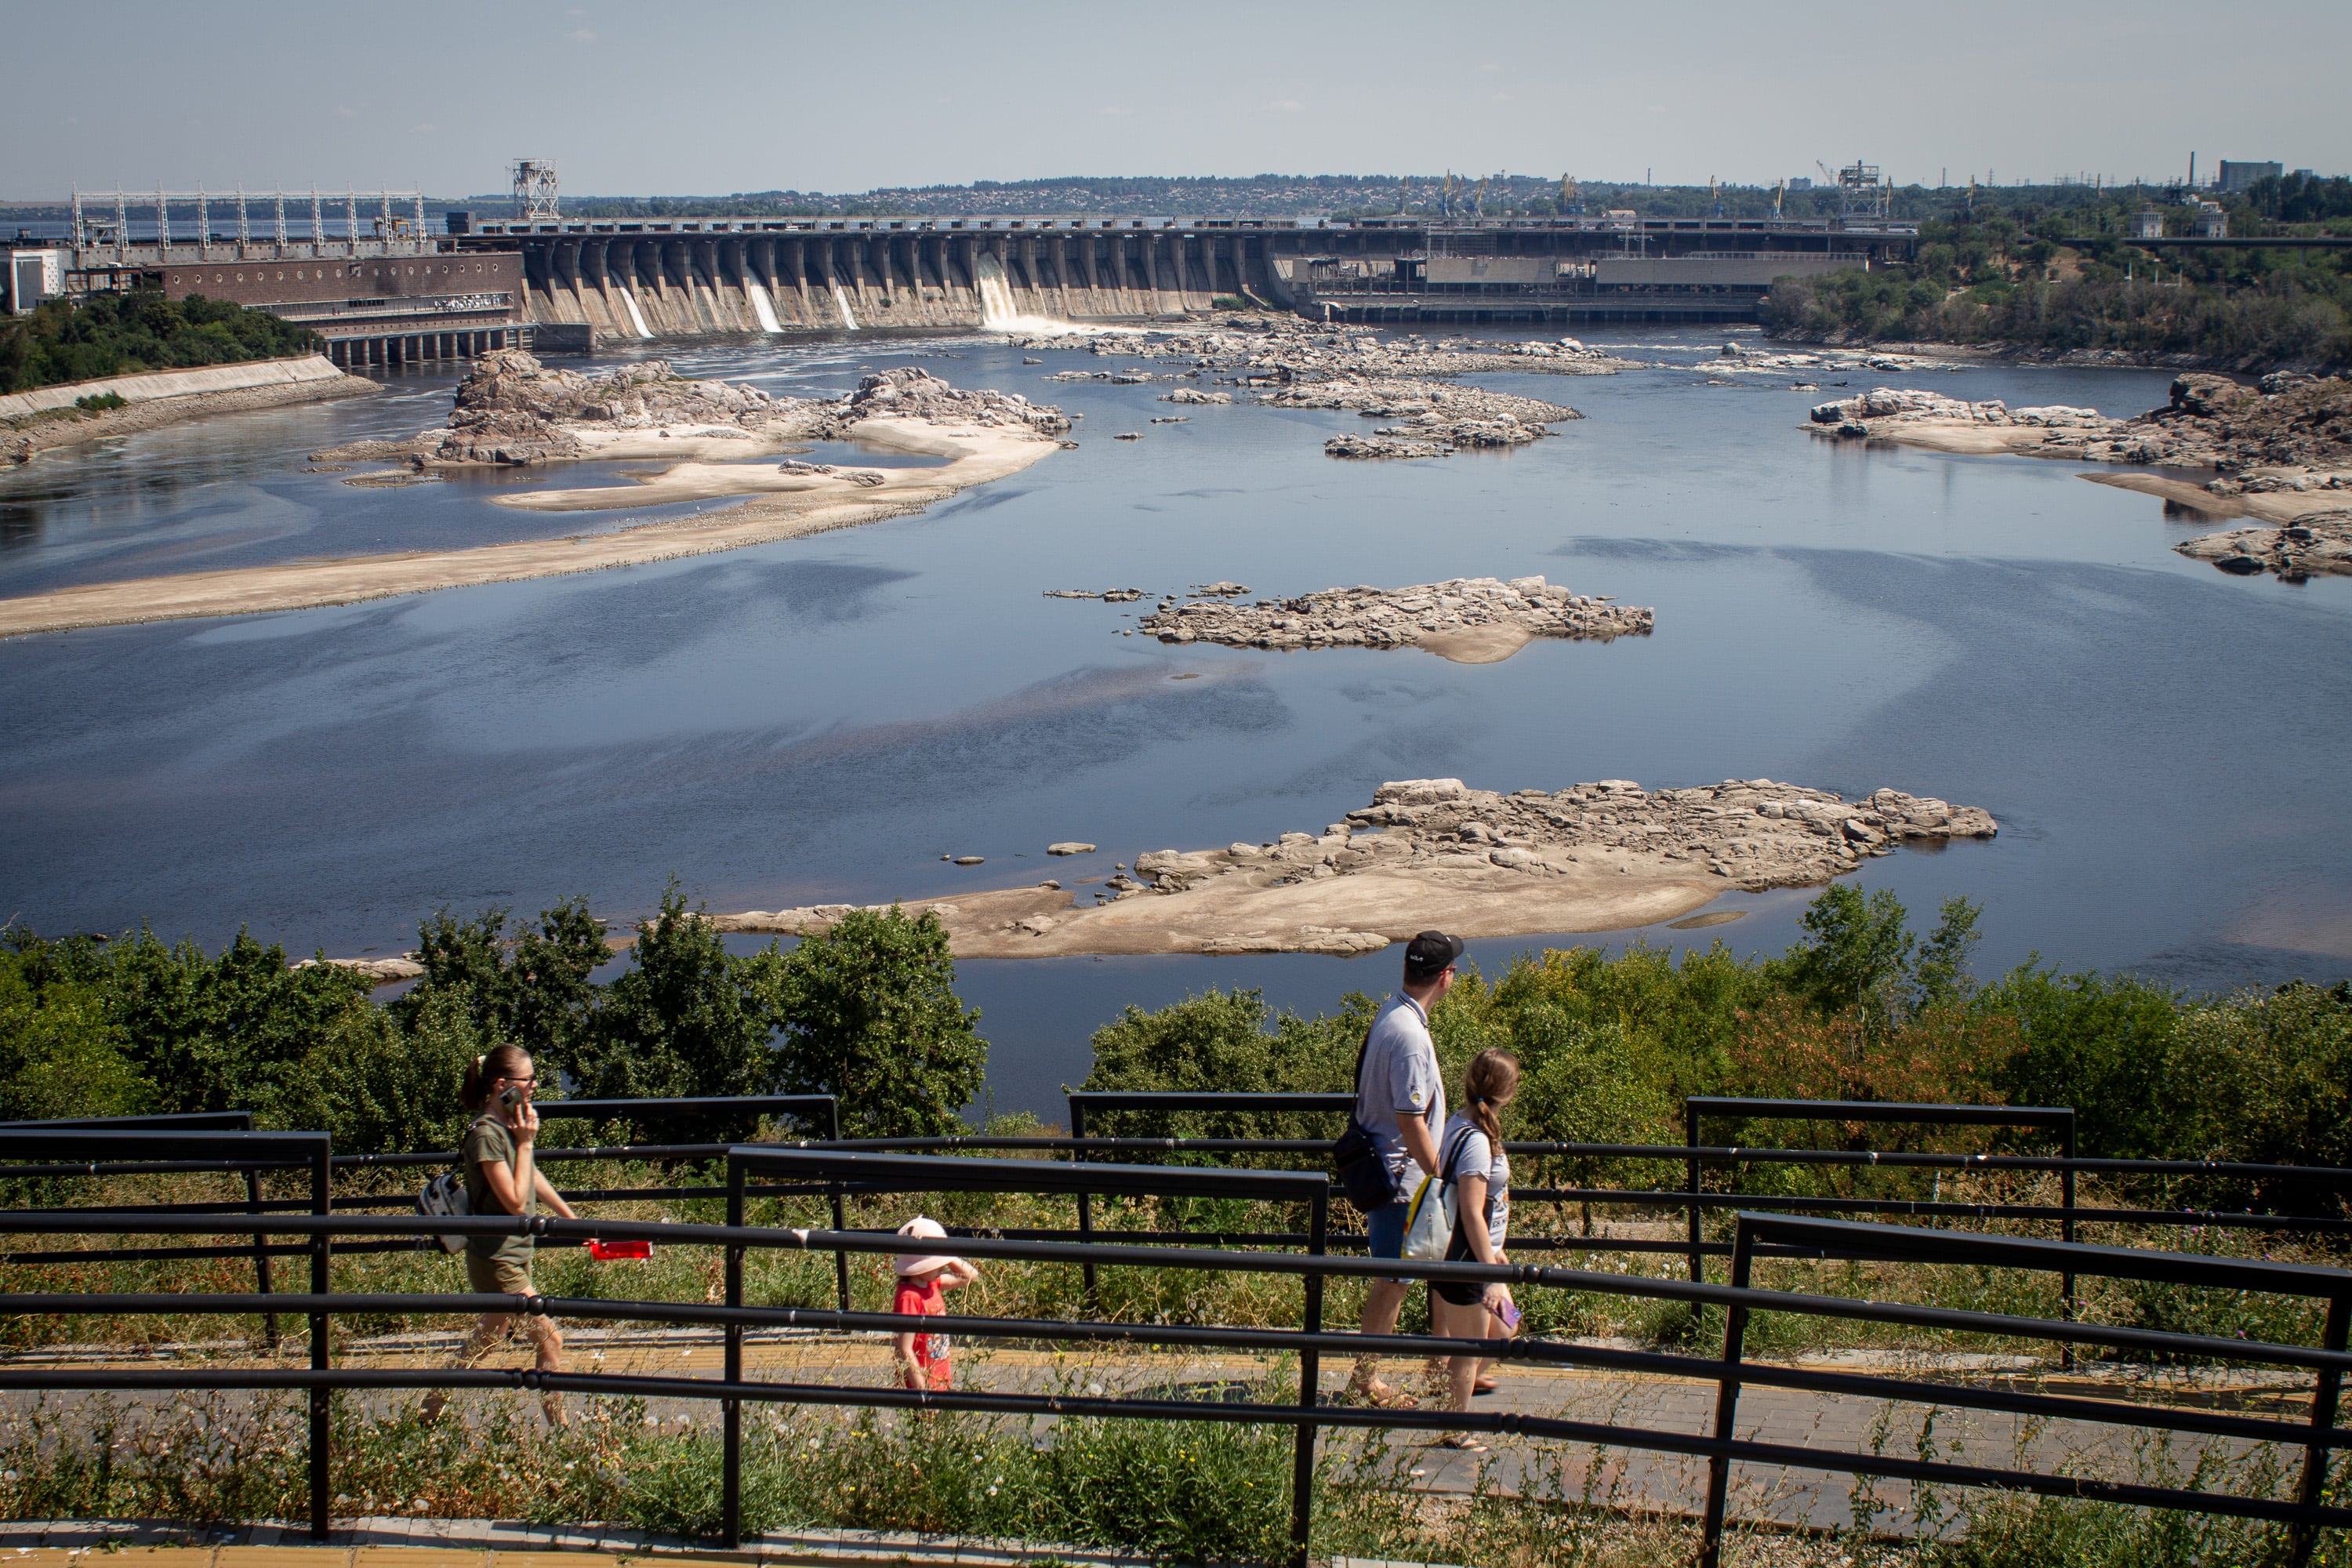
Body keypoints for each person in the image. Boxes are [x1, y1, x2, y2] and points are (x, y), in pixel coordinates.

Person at [422, 1044, 578, 1427]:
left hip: (513, 1251)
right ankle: (563, 1429)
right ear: (503, 1085)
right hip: (497, 1258)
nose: (535, 1086)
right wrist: (525, 1142)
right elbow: (513, 1202)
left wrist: (570, 1219)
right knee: (550, 1339)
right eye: (528, 1081)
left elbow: (532, 1178)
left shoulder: (508, 1124)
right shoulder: (486, 1135)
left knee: (486, 1340)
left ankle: (429, 1411)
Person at [1348, 929, 1465, 1406]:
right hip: (1403, 1180)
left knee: (1436, 1268)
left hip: (1398, 1174)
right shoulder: (1412, 1036)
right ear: (1446, 977)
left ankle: (1440, 1363)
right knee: (1393, 1282)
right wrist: (1441, 1173)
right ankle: (1365, 1378)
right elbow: (1411, 1120)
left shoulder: (1392, 1013)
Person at [1427, 1048, 1521, 1450]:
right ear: (1507, 1091)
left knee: (1508, 1325)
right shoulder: (1478, 1142)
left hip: (1460, 1252)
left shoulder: (1458, 1124)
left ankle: (1452, 1384)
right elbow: (1470, 1211)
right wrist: (1493, 1275)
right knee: (1470, 1348)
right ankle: (1455, 1430)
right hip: (1468, 1259)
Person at [891, 1215, 980, 1391]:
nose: (943, 1267)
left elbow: (971, 1276)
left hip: (939, 1377)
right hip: (921, 1382)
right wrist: (921, 1390)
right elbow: (905, 1349)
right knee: (925, 1420)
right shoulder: (909, 1297)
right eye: (936, 1262)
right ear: (919, 1265)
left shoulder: (932, 1283)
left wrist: (947, 1255)